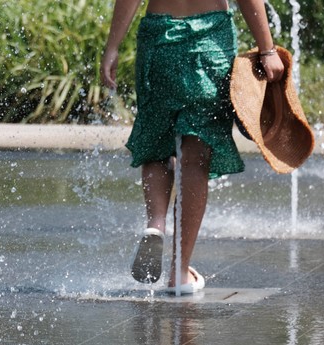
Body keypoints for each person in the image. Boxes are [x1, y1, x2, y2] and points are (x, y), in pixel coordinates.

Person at [100, 0, 285, 293]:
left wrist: (112, 47)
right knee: (197, 152)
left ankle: (156, 224)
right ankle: (179, 271)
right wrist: (267, 49)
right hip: (210, 39)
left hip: (159, 37)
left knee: (156, 140)